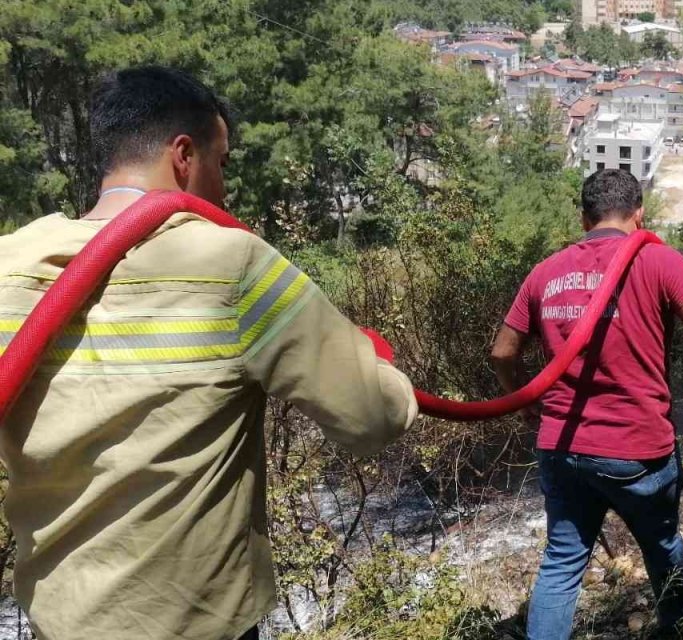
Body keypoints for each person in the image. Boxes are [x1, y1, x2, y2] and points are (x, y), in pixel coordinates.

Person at [0, 66, 418, 640]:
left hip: (59, 618)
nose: (224, 187)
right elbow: (373, 416)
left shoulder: (11, 263)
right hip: (195, 624)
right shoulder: (231, 264)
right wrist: (380, 369)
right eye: (220, 164)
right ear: (183, 155)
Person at [490, 169, 683, 639]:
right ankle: (678, 626)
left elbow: (502, 351)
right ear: (639, 214)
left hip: (561, 448)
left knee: (561, 563)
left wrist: (522, 399)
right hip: (636, 450)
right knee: (661, 546)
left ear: (584, 220)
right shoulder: (660, 261)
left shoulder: (546, 270)